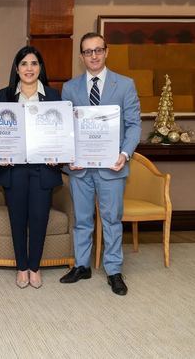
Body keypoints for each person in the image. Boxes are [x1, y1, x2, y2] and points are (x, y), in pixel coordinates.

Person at [59, 32, 141, 296]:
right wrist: (69, 155)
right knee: (82, 220)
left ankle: (114, 270)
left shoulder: (125, 85)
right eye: (87, 51)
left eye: (97, 50)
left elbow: (134, 125)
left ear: (106, 52)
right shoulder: (70, 88)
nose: (93, 55)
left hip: (112, 167)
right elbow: (65, 127)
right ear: (81, 56)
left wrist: (125, 154)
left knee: (111, 220)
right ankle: (82, 265)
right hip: (80, 169)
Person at [0, 46, 63, 289]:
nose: (29, 68)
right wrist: (0, 153)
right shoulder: (5, 95)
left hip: (43, 168)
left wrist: (58, 154)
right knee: (18, 219)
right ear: (17, 68)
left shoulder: (53, 96)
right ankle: (22, 267)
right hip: (15, 169)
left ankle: (35, 267)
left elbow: (60, 131)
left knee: (40, 218)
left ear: (40, 68)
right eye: (24, 64)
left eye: (34, 64)